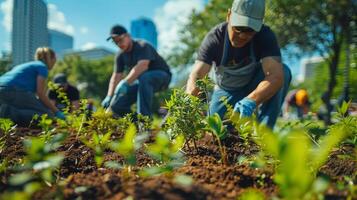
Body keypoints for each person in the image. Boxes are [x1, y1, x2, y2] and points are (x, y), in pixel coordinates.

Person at [185, 0, 291, 128]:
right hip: (226, 91)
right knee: (214, 131)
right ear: (229, 15)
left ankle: (264, 136)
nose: (242, 36)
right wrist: (186, 107)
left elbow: (276, 76)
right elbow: (197, 75)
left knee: (283, 71)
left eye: (250, 30)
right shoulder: (215, 38)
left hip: (253, 84)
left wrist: (251, 100)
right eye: (239, 28)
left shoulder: (265, 35)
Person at [102, 25, 171, 118]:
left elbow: (143, 66)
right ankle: (133, 123)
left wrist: (125, 82)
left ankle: (144, 120)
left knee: (144, 77)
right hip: (143, 82)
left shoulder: (142, 45)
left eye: (120, 40)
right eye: (115, 42)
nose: (118, 44)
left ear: (128, 36)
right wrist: (109, 96)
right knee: (117, 105)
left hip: (162, 77)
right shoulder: (120, 55)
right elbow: (116, 76)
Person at [0, 47, 65, 126]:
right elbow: (40, 93)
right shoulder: (42, 67)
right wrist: (56, 112)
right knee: (47, 116)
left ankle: (6, 111)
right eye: (55, 59)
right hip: (12, 90)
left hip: (4, 91)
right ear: (51, 58)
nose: (55, 63)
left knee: (31, 110)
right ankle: (7, 113)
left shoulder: (28, 65)